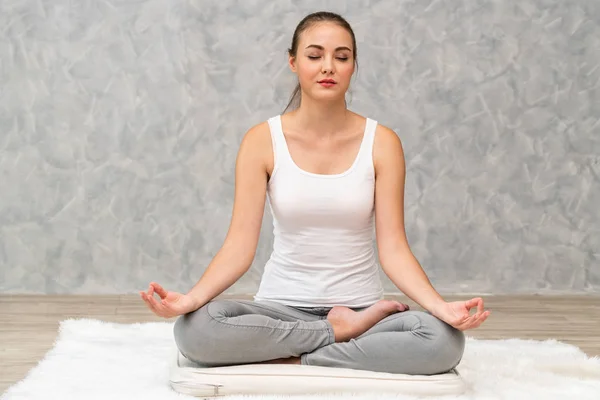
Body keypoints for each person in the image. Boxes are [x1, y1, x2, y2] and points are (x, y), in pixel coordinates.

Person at [140, 11, 490, 375]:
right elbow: (239, 247)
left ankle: (303, 355)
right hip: (280, 309)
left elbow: (394, 248)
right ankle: (335, 337)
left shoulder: (382, 143)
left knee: (442, 340)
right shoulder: (262, 140)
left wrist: (439, 307)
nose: (328, 67)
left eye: (341, 57)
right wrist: (191, 299)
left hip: (363, 311)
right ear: (293, 62)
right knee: (197, 329)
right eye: (314, 55)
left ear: (353, 65)